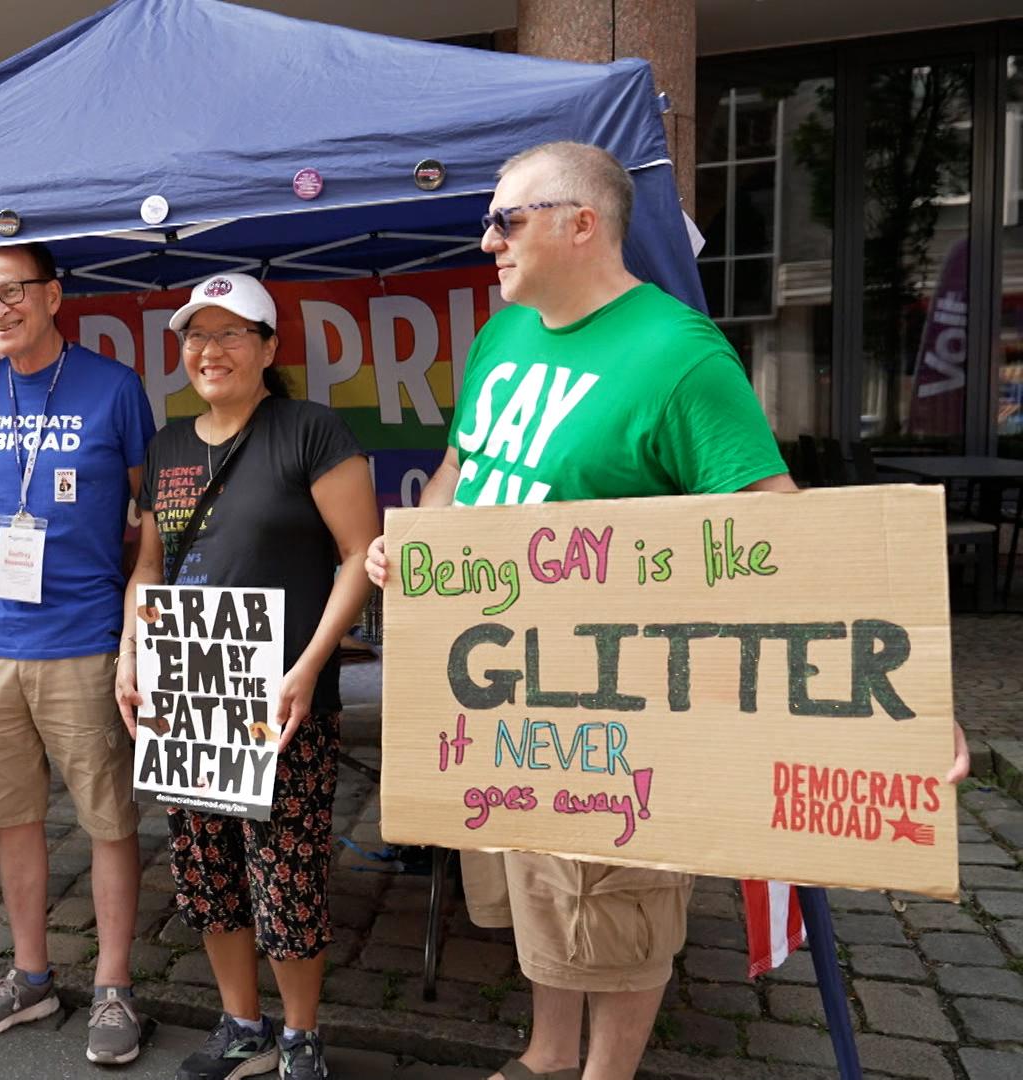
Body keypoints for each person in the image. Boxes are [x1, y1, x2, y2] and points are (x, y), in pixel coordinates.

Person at [362, 141, 973, 1080]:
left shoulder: (679, 355)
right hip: (501, 700)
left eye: (504, 219)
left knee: (617, 902)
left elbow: (777, 526)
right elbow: (462, 470)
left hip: (618, 703)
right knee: (538, 887)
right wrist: (416, 540)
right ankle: (547, 1054)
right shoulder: (503, 334)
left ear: (582, 223)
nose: (487, 241)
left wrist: (906, 699)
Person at [117, 273, 379, 1080]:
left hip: (284, 696)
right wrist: (132, 650)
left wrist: (308, 668)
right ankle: (242, 1024)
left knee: (288, 872)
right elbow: (149, 568)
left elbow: (358, 561)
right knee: (206, 872)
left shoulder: (310, 430)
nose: (211, 350)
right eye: (198, 335)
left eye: (233, 334)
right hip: (191, 692)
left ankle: (301, 1035)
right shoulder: (165, 446)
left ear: (269, 349)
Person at [0, 241, 156, 1066]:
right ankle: (30, 975)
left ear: (54, 296)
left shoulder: (114, 387)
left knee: (107, 818)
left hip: (84, 637)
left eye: (11, 292)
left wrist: (136, 621)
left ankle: (113, 986)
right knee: (10, 816)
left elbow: (154, 513)